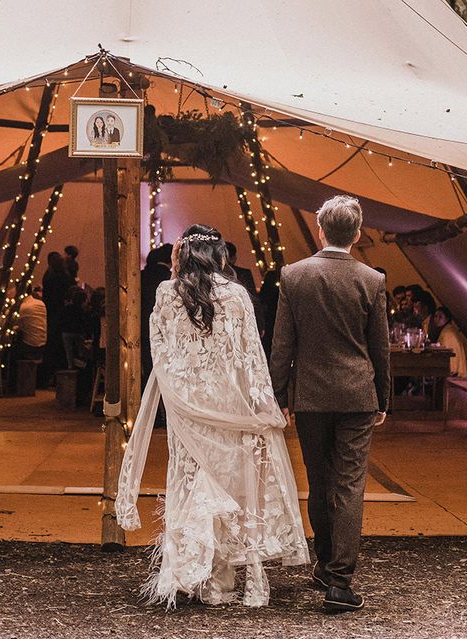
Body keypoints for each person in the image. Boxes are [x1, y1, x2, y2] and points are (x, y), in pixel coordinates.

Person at [116, 224, 309, 609]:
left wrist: (180, 395)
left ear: (182, 255)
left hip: (187, 409)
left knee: (193, 484)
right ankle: (221, 577)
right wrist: (262, 406)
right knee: (229, 488)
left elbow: (161, 353)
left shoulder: (166, 293)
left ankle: (204, 578)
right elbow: (251, 357)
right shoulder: (237, 296)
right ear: (219, 255)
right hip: (228, 406)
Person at [270, 195, 390, 614]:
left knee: (318, 479)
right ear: (357, 234)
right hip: (358, 393)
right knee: (350, 483)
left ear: (321, 230)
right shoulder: (372, 280)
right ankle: (339, 580)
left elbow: (282, 342)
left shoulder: (294, 276)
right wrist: (384, 398)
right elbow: (380, 348)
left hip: (311, 395)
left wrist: (279, 393)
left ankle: (324, 563)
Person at [140, 244, 173, 389]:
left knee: (148, 367)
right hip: (167, 330)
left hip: (143, 326)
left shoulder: (140, 276)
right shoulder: (170, 278)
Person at [42, 251, 72, 382]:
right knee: (60, 345)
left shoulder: (48, 276)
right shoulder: (64, 277)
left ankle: (49, 375)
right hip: (62, 314)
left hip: (51, 313)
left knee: (52, 343)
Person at [226, 241, 264, 336]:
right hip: (244, 320)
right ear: (234, 257)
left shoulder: (211, 275)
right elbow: (253, 299)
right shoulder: (244, 273)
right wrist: (260, 324)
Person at [61, 288, 91, 369]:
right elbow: (83, 322)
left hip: (66, 332)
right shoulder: (81, 310)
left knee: (69, 352)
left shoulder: (67, 308)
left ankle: (70, 366)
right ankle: (82, 365)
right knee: (81, 350)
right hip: (78, 332)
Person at [434, 306, 467, 377]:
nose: (437, 319)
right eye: (436, 316)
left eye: (440, 317)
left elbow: (452, 359)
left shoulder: (449, 334)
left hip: (453, 374)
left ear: (447, 319)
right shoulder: (447, 330)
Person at [17, 287, 47, 361]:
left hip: (30, 345)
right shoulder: (41, 303)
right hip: (44, 342)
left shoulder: (23, 307)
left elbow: (17, 324)